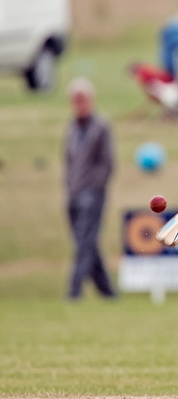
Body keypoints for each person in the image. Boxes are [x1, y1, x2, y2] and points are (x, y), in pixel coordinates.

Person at [63, 77, 117, 300]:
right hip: (73, 194)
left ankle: (73, 293)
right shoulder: (71, 128)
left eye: (82, 100)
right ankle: (109, 293)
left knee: (85, 243)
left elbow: (107, 163)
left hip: (92, 194)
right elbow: (68, 161)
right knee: (87, 243)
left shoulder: (101, 127)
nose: (79, 104)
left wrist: (95, 188)